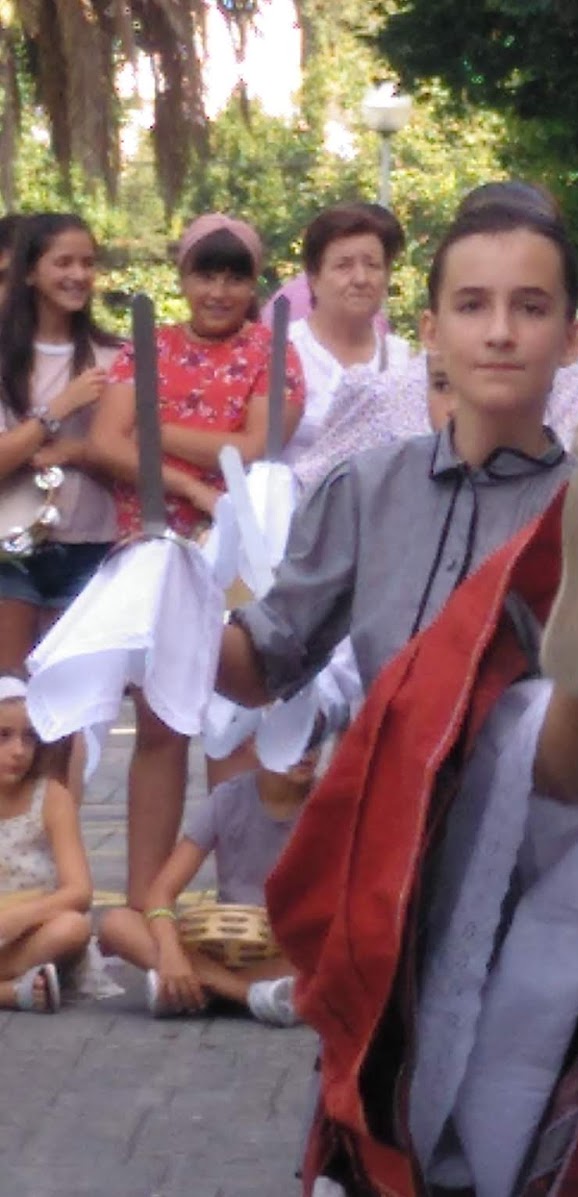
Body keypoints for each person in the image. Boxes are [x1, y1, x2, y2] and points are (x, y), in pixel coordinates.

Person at [215, 199, 578, 1196]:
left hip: (557, 846)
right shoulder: (365, 490)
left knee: (526, 1135)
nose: (499, 331)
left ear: (570, 337)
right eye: (474, 306)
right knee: (394, 1118)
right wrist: (179, 614)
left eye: (530, 308)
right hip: (396, 856)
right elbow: (263, 664)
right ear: (431, 328)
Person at [87, 212, 306, 910]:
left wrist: (153, 428)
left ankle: (241, 905)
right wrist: (190, 485)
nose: (218, 291)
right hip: (159, 546)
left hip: (241, 556)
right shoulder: (144, 348)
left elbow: (257, 445)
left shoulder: (274, 351)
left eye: (234, 277)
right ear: (182, 277)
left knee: (231, 724)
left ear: (253, 282)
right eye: (204, 274)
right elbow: (105, 441)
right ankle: (144, 907)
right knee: (159, 725)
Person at [98, 730, 324, 1026]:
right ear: (255, 743)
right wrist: (171, 953)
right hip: (224, 944)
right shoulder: (228, 798)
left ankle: (194, 991)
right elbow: (161, 893)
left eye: (316, 740)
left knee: (336, 951)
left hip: (287, 949)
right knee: (117, 923)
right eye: (294, 737)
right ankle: (248, 996)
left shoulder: (328, 801)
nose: (307, 752)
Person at [0, 214, 122, 672]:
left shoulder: (116, 356)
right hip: (10, 548)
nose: (79, 275)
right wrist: (58, 409)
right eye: (63, 262)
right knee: (10, 695)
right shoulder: (5, 357)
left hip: (93, 545)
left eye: (88, 263)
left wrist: (74, 452)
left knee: (68, 701)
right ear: (30, 272)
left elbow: (131, 457)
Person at [282, 204, 410, 467]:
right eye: (344, 266)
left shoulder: (402, 359)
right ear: (313, 278)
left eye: (372, 265)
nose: (361, 279)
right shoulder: (280, 351)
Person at [0, 676, 91, 1013]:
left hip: (30, 931)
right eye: (3, 736)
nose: (18, 751)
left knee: (73, 928)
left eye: (29, 738)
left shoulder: (51, 797)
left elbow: (79, 891)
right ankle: (11, 992)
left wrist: (21, 917)